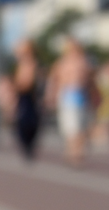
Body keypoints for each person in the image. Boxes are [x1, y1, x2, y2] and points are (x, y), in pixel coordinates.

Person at [47, 36, 94, 166]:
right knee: (71, 128)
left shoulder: (85, 62)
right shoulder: (62, 63)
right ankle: (74, 152)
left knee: (81, 127)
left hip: (82, 95)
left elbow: (90, 82)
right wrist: (51, 95)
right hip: (68, 95)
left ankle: (76, 151)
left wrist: (95, 96)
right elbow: (54, 80)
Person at [12, 39, 42, 161]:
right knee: (22, 123)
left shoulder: (33, 64)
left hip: (30, 97)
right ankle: (26, 145)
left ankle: (29, 145)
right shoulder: (21, 64)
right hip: (22, 97)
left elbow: (30, 82)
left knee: (30, 122)